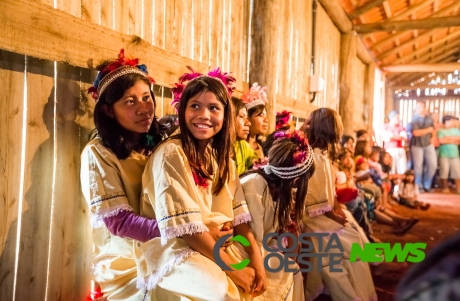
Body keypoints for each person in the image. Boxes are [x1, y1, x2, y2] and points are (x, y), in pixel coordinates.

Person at [138, 69, 266, 300]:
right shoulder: (171, 154)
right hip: (179, 247)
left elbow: (240, 219)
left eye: (214, 108)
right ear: (183, 110)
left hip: (220, 244)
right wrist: (235, 269)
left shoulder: (223, 160)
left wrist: (255, 258)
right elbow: (190, 231)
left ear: (225, 115)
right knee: (218, 292)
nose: (204, 115)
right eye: (195, 106)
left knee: (279, 271)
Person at [80, 49, 165, 300]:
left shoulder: (159, 144)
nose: (143, 108)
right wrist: (179, 230)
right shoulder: (98, 153)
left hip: (165, 243)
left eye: (146, 97)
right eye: (130, 101)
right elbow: (120, 223)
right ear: (108, 110)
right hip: (128, 262)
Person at [299, 108, 377, 301]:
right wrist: (334, 215)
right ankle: (350, 295)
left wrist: (336, 212)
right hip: (310, 219)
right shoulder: (313, 157)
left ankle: (355, 292)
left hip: (320, 216)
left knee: (352, 237)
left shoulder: (321, 156)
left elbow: (327, 195)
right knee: (345, 241)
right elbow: (314, 201)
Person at [240, 130, 315, 301]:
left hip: (261, 246)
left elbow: (271, 235)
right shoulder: (255, 185)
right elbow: (254, 237)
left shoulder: (277, 188)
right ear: (295, 179)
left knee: (293, 260)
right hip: (246, 248)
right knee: (291, 270)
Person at [407, 101, 437, 193]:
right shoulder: (414, 119)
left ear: (425, 108)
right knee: (418, 166)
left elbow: (433, 131)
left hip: (428, 144)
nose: (420, 109)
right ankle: (418, 185)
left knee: (433, 165)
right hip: (416, 145)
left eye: (422, 107)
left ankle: (427, 185)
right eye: (418, 107)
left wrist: (432, 139)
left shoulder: (429, 119)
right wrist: (428, 130)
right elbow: (415, 133)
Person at [242, 82, 269, 159]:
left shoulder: (263, 147)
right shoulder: (237, 147)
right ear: (247, 118)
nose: (266, 120)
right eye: (261, 115)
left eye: (266, 115)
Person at [232, 98, 257, 175]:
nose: (248, 123)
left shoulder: (243, 146)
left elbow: (257, 165)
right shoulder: (212, 149)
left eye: (247, 118)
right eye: (242, 116)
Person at [437, 115, 460, 194]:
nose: (452, 122)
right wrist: (454, 139)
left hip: (455, 154)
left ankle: (458, 188)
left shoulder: (456, 130)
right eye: (451, 121)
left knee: (457, 172)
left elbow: (459, 140)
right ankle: (445, 187)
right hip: (444, 154)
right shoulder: (441, 131)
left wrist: (448, 138)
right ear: (446, 122)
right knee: (444, 171)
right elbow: (441, 141)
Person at [382, 110, 408, 174]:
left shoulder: (401, 127)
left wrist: (392, 137)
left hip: (400, 149)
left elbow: (403, 137)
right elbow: (386, 138)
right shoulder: (385, 126)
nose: (398, 119)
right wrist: (397, 137)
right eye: (397, 117)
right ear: (391, 118)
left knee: (402, 168)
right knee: (391, 168)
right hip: (390, 150)